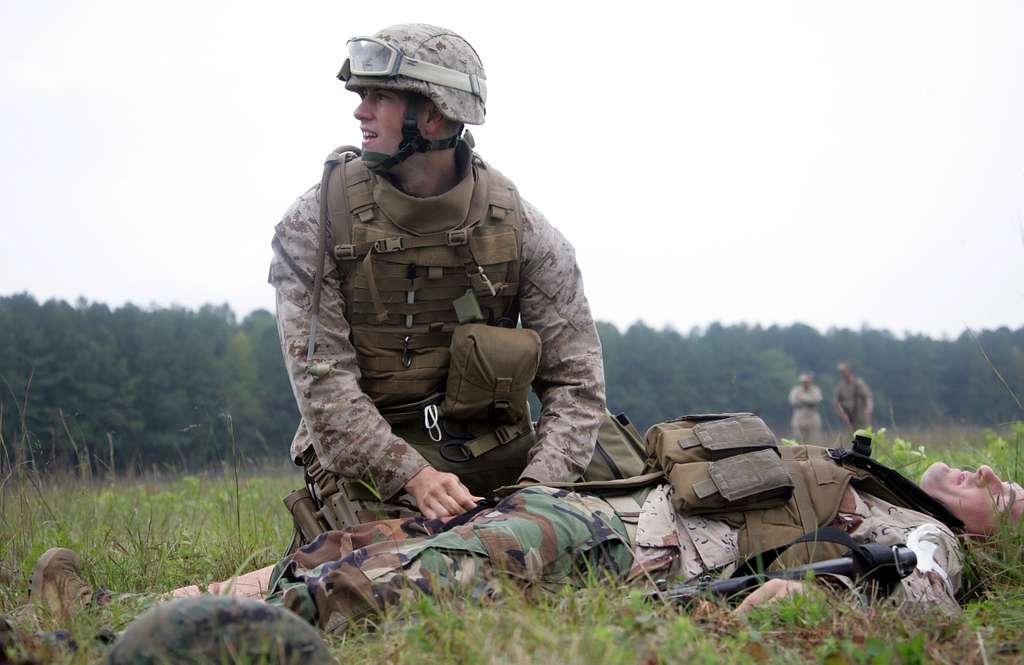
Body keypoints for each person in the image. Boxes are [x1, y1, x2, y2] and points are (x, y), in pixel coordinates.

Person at [31, 443, 1023, 632]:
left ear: (986, 533)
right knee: (359, 537)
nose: (980, 475)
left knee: (387, 579)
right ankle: (112, 611)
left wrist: (810, 597)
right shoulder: (854, 469)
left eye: (1002, 492)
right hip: (580, 503)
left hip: (608, 543)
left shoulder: (919, 532)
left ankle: (157, 641)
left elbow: (918, 590)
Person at [268, 24, 606, 528]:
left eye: (379, 97)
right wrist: (413, 477)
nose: (360, 111)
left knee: (622, 526)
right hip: (372, 464)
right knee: (393, 571)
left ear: (433, 113)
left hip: (498, 448)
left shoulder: (520, 228)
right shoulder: (315, 225)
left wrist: (538, 494)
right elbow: (325, 394)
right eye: (363, 96)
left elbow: (576, 381)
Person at [833, 362, 873, 431]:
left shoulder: (858, 382)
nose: (843, 373)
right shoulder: (840, 387)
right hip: (850, 418)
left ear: (849, 371)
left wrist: (869, 408)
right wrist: (843, 415)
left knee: (864, 438)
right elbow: (836, 403)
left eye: (844, 371)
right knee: (852, 439)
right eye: (841, 372)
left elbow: (867, 396)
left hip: (861, 416)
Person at [788, 372, 823, 443]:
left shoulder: (815, 390)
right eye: (803, 382)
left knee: (814, 441)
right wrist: (808, 400)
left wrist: (802, 398)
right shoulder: (796, 390)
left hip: (812, 419)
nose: (805, 383)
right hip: (799, 418)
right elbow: (793, 401)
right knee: (799, 441)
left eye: (807, 382)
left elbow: (816, 400)